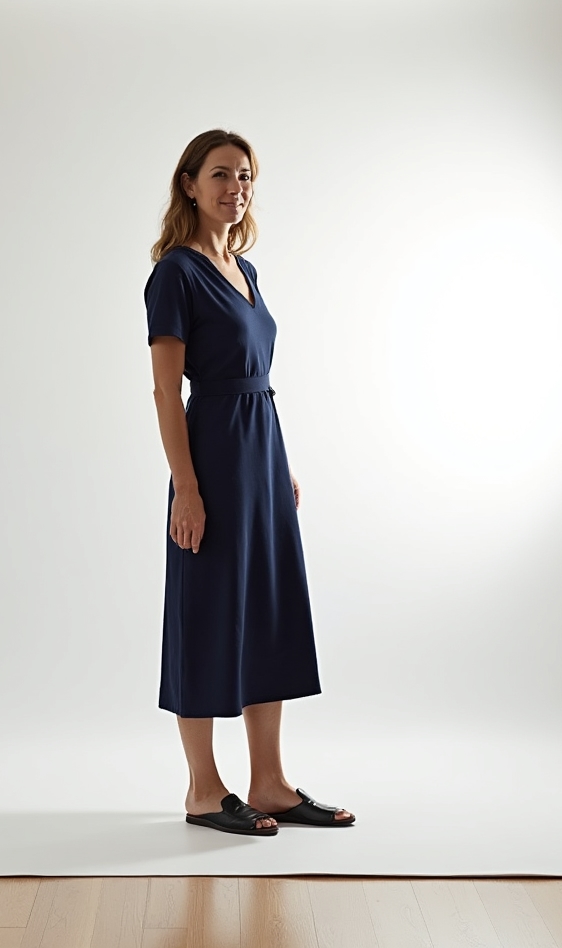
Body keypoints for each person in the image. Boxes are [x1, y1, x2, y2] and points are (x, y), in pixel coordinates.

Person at [143, 129, 355, 836]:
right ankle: (204, 789)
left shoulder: (244, 268)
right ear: (190, 184)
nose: (236, 188)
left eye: (245, 176)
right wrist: (187, 488)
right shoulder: (175, 274)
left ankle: (270, 782)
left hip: (260, 453)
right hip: (211, 459)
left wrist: (278, 463)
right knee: (206, 613)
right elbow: (167, 392)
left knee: (268, 611)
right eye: (221, 174)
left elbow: (255, 377)